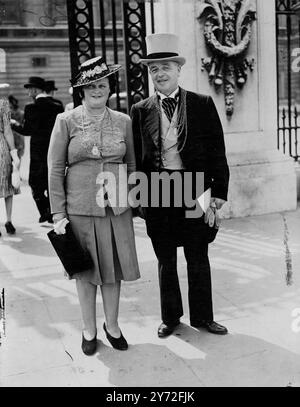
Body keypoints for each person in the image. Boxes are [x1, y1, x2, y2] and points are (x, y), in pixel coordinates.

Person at [131, 33, 230, 338]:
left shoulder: (200, 103)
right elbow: (135, 156)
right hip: (156, 188)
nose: (159, 74)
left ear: (178, 69)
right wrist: (138, 199)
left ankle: (203, 317)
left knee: (198, 254)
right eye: (153, 69)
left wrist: (219, 194)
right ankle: (170, 317)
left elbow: (217, 149)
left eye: (165, 67)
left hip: (194, 187)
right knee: (165, 258)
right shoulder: (140, 109)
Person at [48, 56, 140, 355]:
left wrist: (134, 201)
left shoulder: (124, 121)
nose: (97, 90)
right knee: (85, 273)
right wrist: (58, 212)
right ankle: (88, 329)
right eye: (90, 86)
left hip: (116, 208)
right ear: (81, 91)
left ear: (110, 87)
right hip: (80, 209)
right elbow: (54, 167)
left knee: (113, 270)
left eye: (102, 84)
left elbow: (132, 164)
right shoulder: (66, 120)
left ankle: (111, 326)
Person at [11, 76, 64, 223]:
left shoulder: (31, 108)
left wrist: (13, 124)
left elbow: (27, 131)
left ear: (34, 90)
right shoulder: (57, 106)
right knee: (52, 183)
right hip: (55, 150)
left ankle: (46, 211)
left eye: (29, 89)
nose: (28, 92)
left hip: (38, 153)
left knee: (35, 184)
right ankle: (53, 212)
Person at [0, 85, 20, 237]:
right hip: (2, 147)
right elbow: (7, 130)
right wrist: (13, 152)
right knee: (7, 184)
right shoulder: (3, 104)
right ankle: (8, 220)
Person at [8, 95, 25, 159]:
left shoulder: (9, 114)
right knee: (18, 156)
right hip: (18, 136)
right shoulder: (21, 113)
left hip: (14, 136)